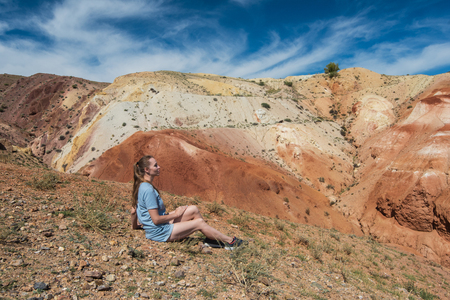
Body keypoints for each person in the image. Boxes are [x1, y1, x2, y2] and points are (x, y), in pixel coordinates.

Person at [131, 155, 245, 249]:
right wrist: (175, 214)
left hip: (160, 226)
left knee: (193, 209)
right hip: (159, 232)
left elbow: (134, 210)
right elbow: (155, 220)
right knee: (199, 222)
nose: (159, 167)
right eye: (155, 165)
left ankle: (211, 240)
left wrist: (135, 225)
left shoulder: (141, 185)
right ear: (147, 170)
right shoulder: (148, 189)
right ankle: (230, 242)